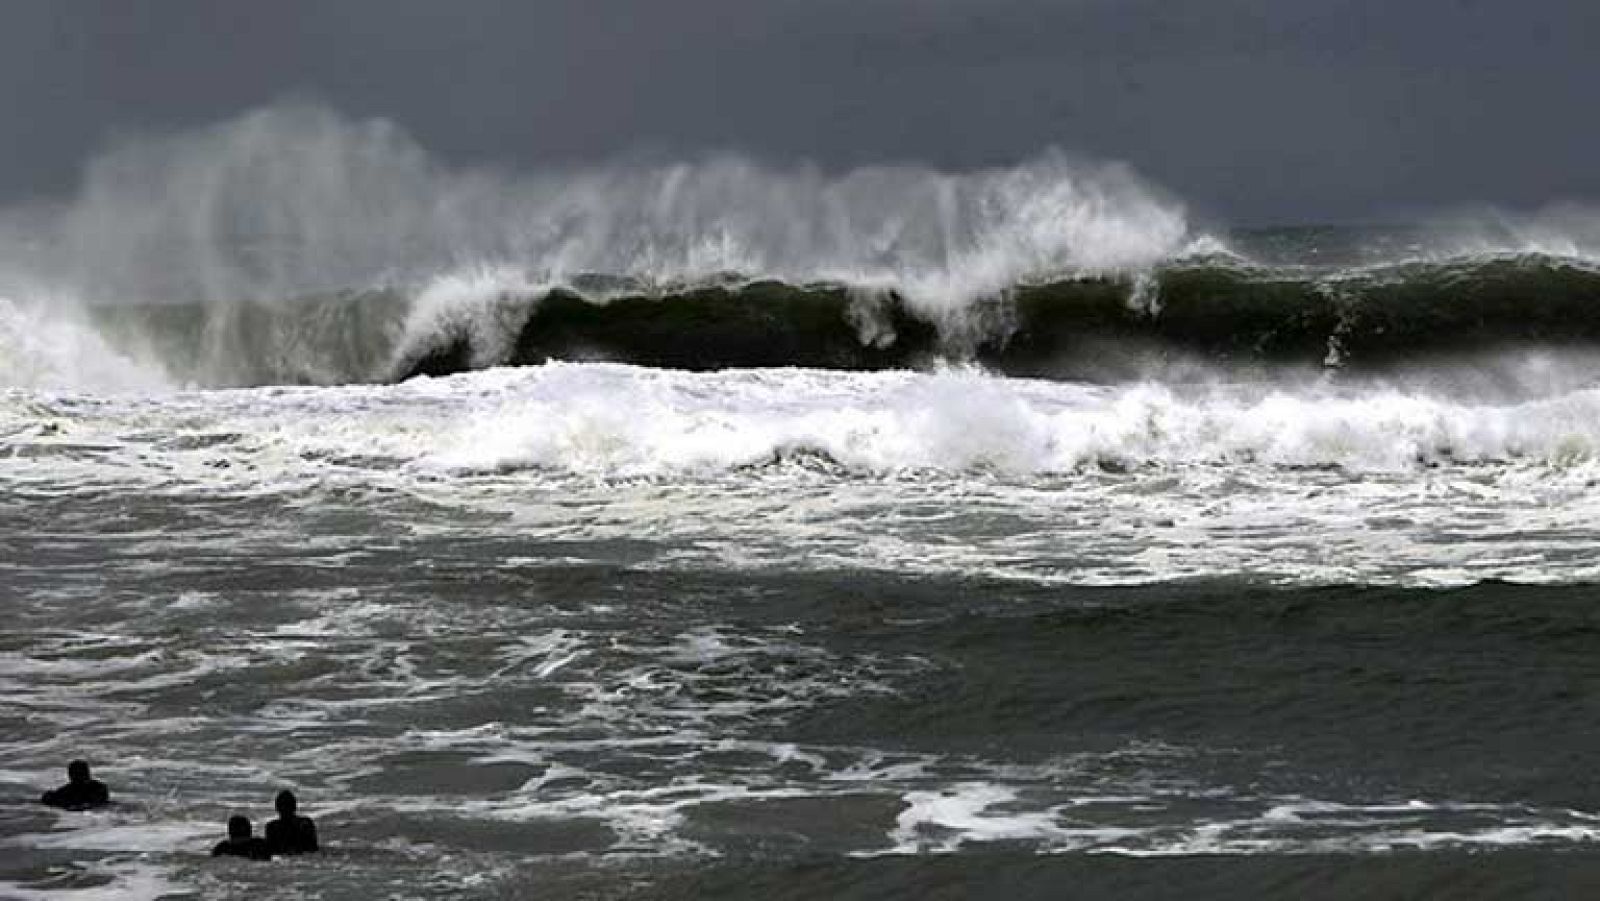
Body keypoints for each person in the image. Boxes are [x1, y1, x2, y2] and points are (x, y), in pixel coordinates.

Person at [264, 789, 319, 855]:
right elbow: (313, 848)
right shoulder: (305, 823)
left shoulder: (272, 827)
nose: (285, 809)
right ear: (295, 807)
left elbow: (271, 851)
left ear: (277, 808)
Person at [40, 760, 110, 810]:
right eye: (76, 774)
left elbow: (97, 803)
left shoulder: (99, 788)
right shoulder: (65, 790)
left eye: (80, 774)